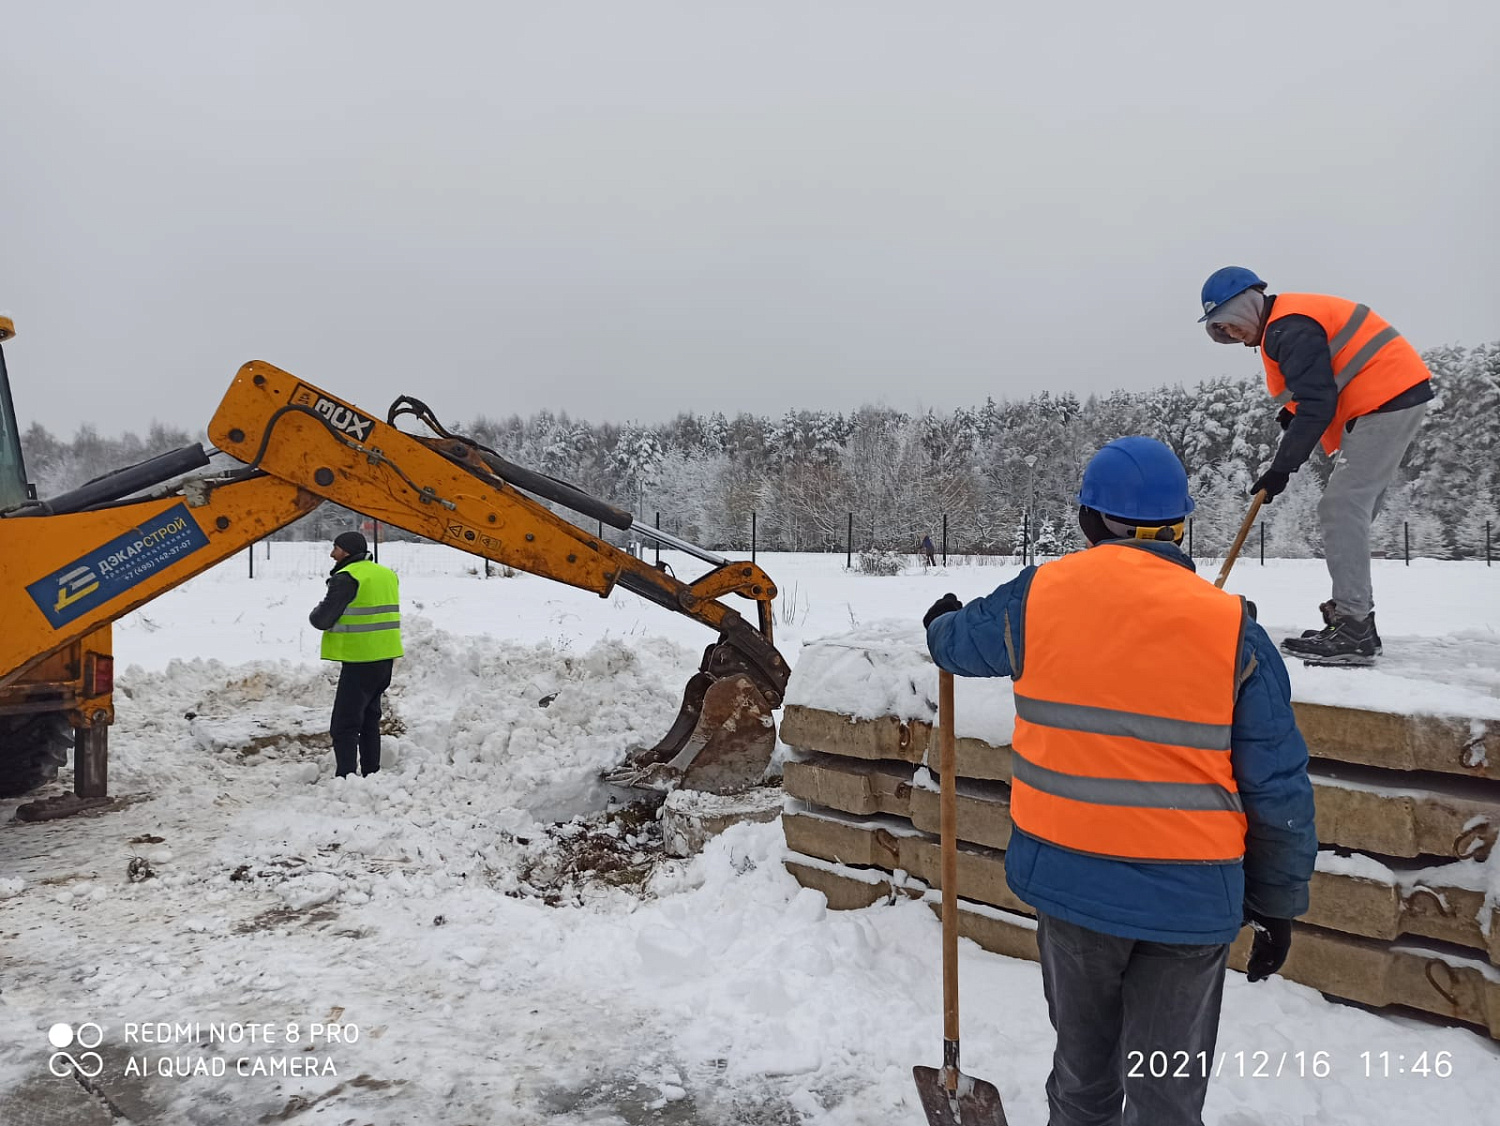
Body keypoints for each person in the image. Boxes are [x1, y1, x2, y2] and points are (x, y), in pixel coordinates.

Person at [924, 436, 1317, 1126]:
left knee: (1082, 1081)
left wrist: (941, 623)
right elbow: (1277, 785)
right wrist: (1278, 902)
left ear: (1089, 519)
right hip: (1190, 906)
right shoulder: (1232, 630)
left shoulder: (1036, 599)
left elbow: (956, 644)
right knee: (1166, 1097)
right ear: (1179, 526)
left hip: (1072, 890)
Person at [1199, 267, 1433, 664]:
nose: (1232, 334)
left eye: (1231, 323)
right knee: (1352, 510)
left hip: (1385, 396)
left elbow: (1318, 403)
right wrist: (1294, 413)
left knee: (1342, 507)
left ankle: (1354, 628)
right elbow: (1317, 385)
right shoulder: (1285, 323)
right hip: (1389, 394)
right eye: (1223, 330)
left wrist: (1281, 469)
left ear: (1245, 305)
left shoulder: (1287, 328)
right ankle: (1355, 619)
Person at [308, 530, 403, 778]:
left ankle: (346, 776)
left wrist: (316, 611)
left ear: (347, 551)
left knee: (344, 724)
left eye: (336, 548)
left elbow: (322, 619)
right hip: (385, 657)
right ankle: (371, 771)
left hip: (359, 659)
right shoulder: (386, 574)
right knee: (370, 719)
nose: (332, 554)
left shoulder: (347, 577)